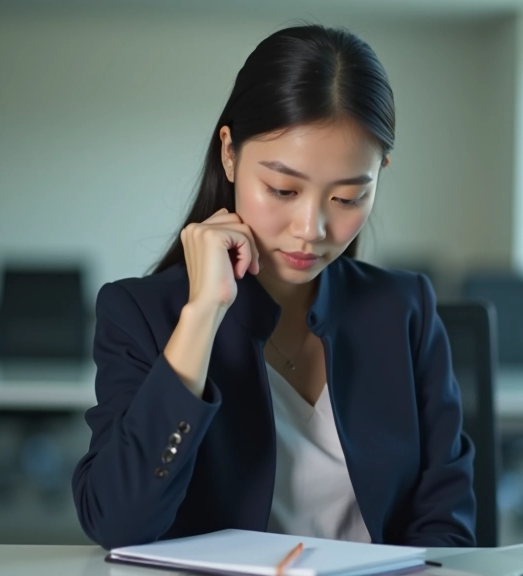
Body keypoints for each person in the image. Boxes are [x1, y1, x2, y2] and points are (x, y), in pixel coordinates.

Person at [71, 24, 476, 550]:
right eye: (283, 189)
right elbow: (117, 524)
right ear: (230, 153)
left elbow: (446, 524)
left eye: (349, 197)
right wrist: (202, 316)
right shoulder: (141, 314)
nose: (312, 229)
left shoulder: (403, 309)